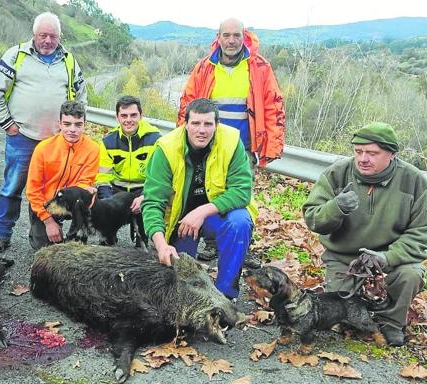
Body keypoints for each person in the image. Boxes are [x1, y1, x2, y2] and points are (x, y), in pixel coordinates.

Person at [303, 122, 426, 347]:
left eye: (372, 153)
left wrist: (388, 257)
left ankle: (391, 322)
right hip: (345, 258)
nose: (363, 159)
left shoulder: (415, 181)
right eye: (358, 151)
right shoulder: (337, 173)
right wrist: (336, 207)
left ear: (391, 154)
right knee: (342, 318)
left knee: (412, 274)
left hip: (389, 257)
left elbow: (422, 232)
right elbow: (313, 218)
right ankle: (358, 311)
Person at [178, 18, 285, 263]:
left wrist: (272, 144)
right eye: (226, 35)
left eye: (236, 35)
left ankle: (241, 245)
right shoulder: (205, 67)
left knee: (241, 197)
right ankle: (214, 242)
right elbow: (188, 103)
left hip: (242, 147)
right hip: (207, 146)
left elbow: (273, 106)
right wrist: (184, 139)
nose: (231, 40)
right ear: (218, 37)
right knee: (207, 193)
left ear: (243, 37)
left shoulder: (258, 67)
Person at [0, 11, 86, 254]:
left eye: (53, 36)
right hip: (23, 138)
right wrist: (8, 124)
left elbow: (81, 98)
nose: (48, 41)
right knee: (13, 187)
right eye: (43, 35)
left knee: (53, 190)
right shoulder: (16, 55)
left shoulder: (69, 62)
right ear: (34, 35)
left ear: (59, 36)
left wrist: (75, 129)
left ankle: (44, 231)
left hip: (56, 142)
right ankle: (2, 234)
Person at [142, 98, 257, 299]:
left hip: (216, 215)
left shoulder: (231, 142)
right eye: (195, 123)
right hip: (181, 220)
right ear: (185, 124)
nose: (201, 130)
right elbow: (153, 203)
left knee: (240, 222)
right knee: (181, 286)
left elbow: (242, 191)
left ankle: (225, 295)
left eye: (208, 124)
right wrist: (161, 244)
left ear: (217, 125)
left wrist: (202, 211)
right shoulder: (166, 149)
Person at [25, 101, 99, 250]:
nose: (72, 129)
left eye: (78, 125)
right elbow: (33, 191)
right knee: (44, 249)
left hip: (72, 202)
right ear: (60, 124)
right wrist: (48, 221)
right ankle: (42, 228)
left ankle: (77, 236)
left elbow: (84, 185)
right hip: (46, 203)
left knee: (94, 197)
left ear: (85, 124)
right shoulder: (43, 149)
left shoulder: (93, 149)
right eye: (67, 124)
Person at [95, 96, 161, 215]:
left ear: (141, 115)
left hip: (144, 189)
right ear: (117, 117)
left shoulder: (155, 139)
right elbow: (103, 177)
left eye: (133, 115)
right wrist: (107, 202)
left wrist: (144, 196)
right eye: (124, 115)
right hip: (117, 190)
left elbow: (159, 178)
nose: (128, 120)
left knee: (147, 225)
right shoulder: (107, 141)